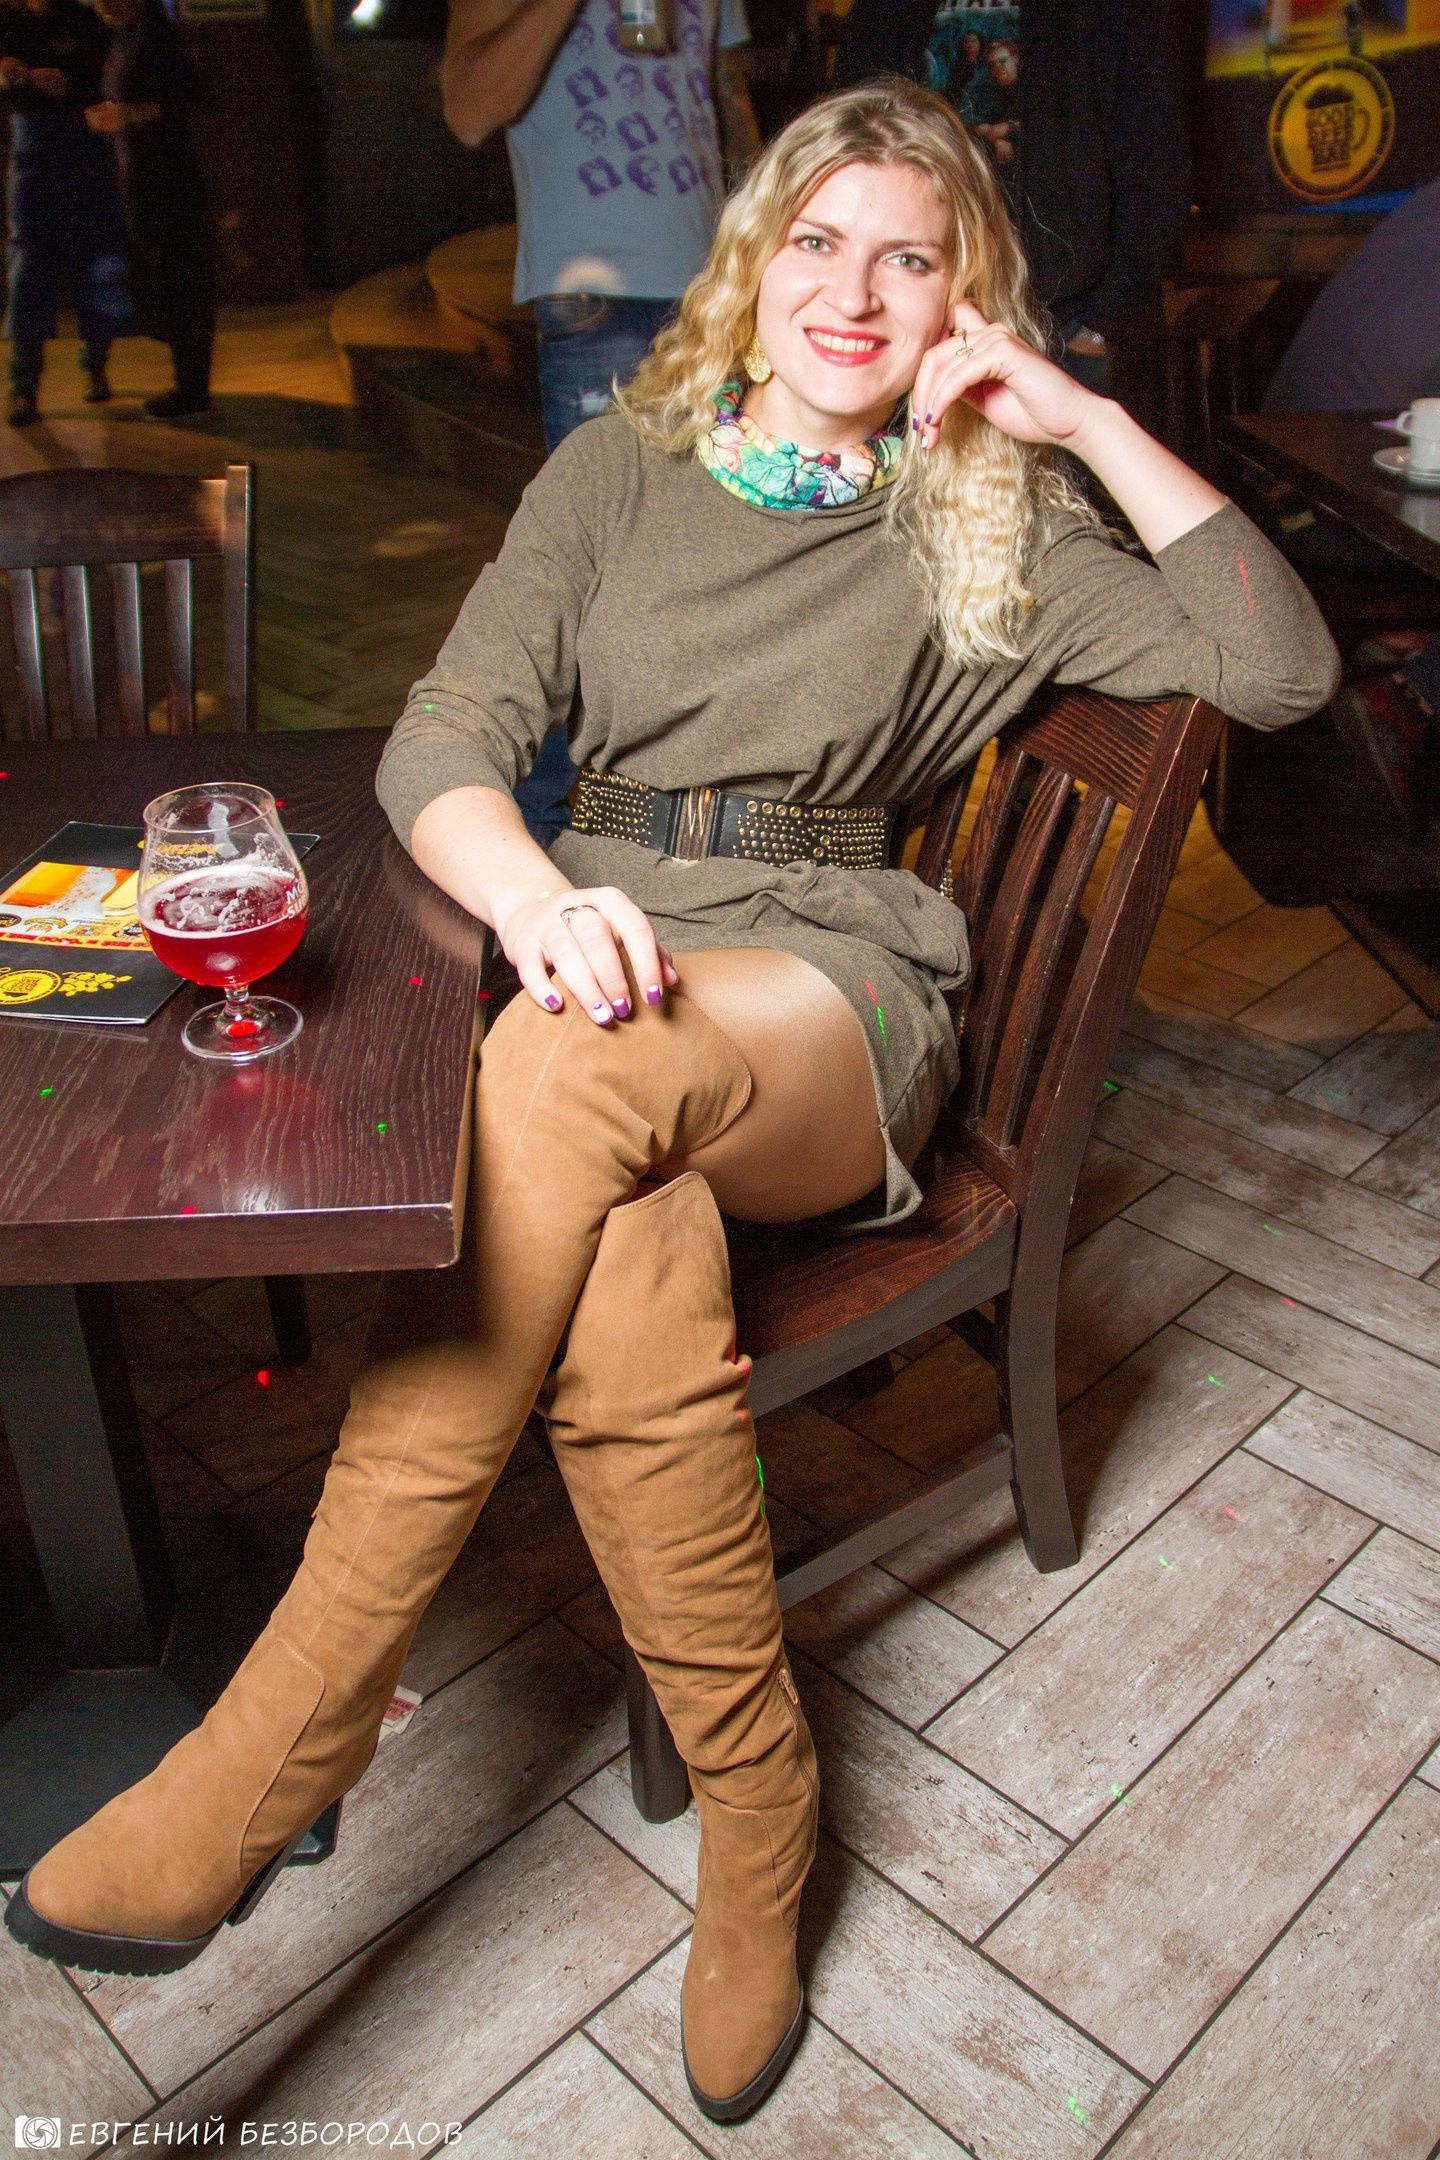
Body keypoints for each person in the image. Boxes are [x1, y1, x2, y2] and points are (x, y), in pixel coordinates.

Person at [5, 82, 1337, 2126]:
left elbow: (1281, 668)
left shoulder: (985, 522)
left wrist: (1077, 416)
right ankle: (760, 1803)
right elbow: (450, 736)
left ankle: (286, 1733)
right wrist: (539, 904)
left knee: (565, 1073)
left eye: (912, 259)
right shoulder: (615, 473)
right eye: (820, 240)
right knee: (625, 1250)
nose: (855, 291)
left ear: (963, 302)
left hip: (829, 995)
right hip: (599, 966)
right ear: (754, 259)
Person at [438, 0, 762, 847]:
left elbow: (724, 97)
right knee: (592, 572)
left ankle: (684, 820)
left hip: (717, 293)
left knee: (720, 561)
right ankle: (533, 836)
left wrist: (769, 252)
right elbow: (468, 110)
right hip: (596, 295)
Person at [835, 0, 1193, 396]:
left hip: (1064, 332)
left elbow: (1158, 170)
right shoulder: (880, 14)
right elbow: (846, 155)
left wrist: (1100, 327)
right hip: (913, 322)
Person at [1261, 178, 1440, 838]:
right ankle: (1409, 694)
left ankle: (1407, 657)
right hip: (1328, 520)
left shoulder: (1425, 207)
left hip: (1293, 497)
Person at [0, 0, 130, 426]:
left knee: (94, 255)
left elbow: (104, 79)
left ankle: (96, 362)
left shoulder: (82, 18)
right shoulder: (7, 16)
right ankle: (23, 385)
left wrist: (69, 83)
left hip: (82, 143)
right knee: (29, 261)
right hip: (29, 141)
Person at [84, 0, 216, 420]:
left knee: (180, 274)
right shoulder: (125, 35)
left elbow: (191, 97)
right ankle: (187, 381)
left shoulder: (157, 36)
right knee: (164, 275)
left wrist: (130, 113)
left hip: (169, 177)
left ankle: (192, 387)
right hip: (141, 177)